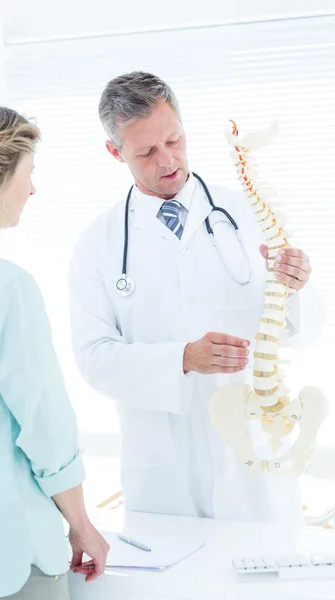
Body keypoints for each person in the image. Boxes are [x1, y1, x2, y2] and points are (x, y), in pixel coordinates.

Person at [68, 71, 320, 525]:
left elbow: (301, 327)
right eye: (146, 151)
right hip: (163, 469)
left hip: (253, 456)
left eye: (175, 140)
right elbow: (94, 359)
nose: (168, 160)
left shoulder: (243, 212)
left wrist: (297, 287)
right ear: (114, 151)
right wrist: (181, 358)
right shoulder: (97, 244)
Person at [0, 101, 109, 600]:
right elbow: (46, 428)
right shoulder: (4, 287)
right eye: (27, 174)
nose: (32, 189)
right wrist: (80, 524)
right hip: (7, 560)